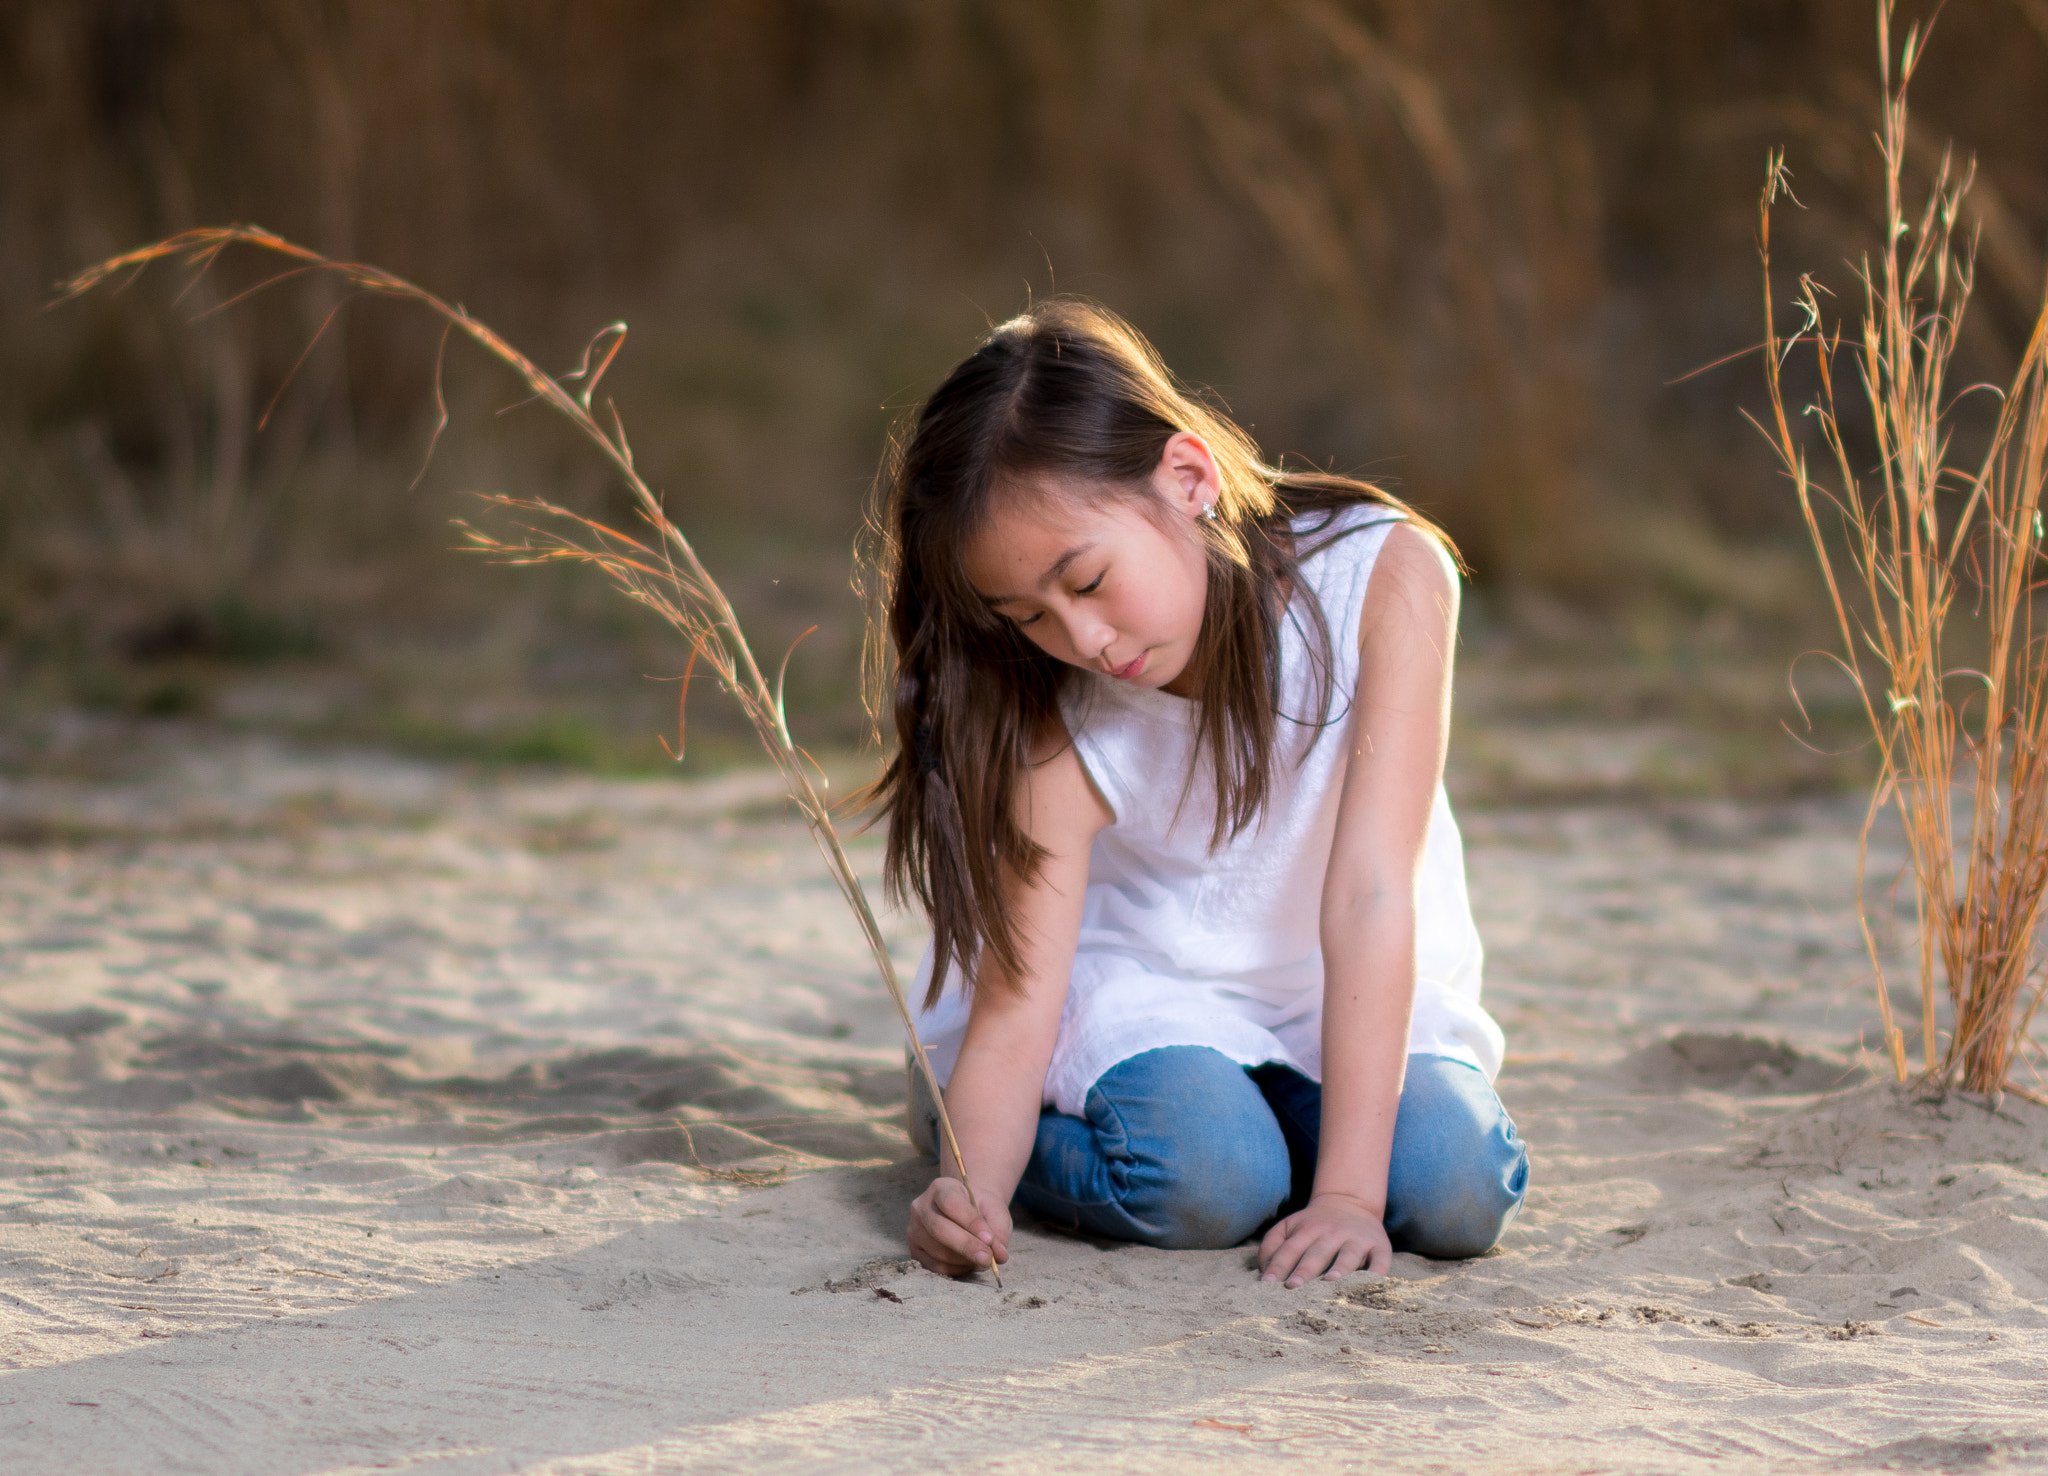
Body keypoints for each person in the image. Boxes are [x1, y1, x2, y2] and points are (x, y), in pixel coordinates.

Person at [863, 300, 1526, 1288]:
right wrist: (973, 1190)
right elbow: (1022, 989)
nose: (1078, 640)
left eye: (1084, 582)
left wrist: (1347, 1196)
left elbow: (1371, 892)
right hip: (1149, 999)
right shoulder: (1055, 707)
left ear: (1186, 477)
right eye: (1026, 616)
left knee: (1451, 1189)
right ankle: (960, 1107)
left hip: (1342, 985)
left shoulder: (1381, 575)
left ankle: (1298, 1157)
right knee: (1206, 1182)